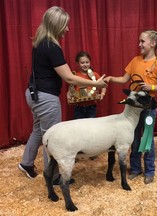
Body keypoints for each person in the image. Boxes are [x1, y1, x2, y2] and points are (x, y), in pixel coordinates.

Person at [18, 6, 107, 182]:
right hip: (46, 99)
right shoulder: (52, 47)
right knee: (52, 138)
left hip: (34, 94)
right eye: (65, 25)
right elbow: (70, 78)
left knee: (38, 130)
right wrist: (95, 83)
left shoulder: (40, 42)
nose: (67, 29)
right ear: (56, 25)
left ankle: (26, 163)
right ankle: (53, 176)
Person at [104, 30, 157, 184]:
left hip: (148, 107)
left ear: (152, 44)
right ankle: (135, 168)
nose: (139, 44)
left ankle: (149, 171)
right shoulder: (135, 60)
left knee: (147, 139)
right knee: (133, 138)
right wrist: (110, 79)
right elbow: (124, 79)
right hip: (133, 109)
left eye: (142, 41)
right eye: (139, 41)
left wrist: (152, 88)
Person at [68, 51, 106, 119]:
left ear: (90, 62)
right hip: (78, 107)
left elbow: (104, 85)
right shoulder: (75, 75)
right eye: (82, 63)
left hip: (91, 106)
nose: (85, 64)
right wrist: (69, 95)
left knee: (91, 126)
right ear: (77, 63)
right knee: (79, 125)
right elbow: (71, 89)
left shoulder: (95, 74)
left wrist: (102, 94)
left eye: (87, 62)